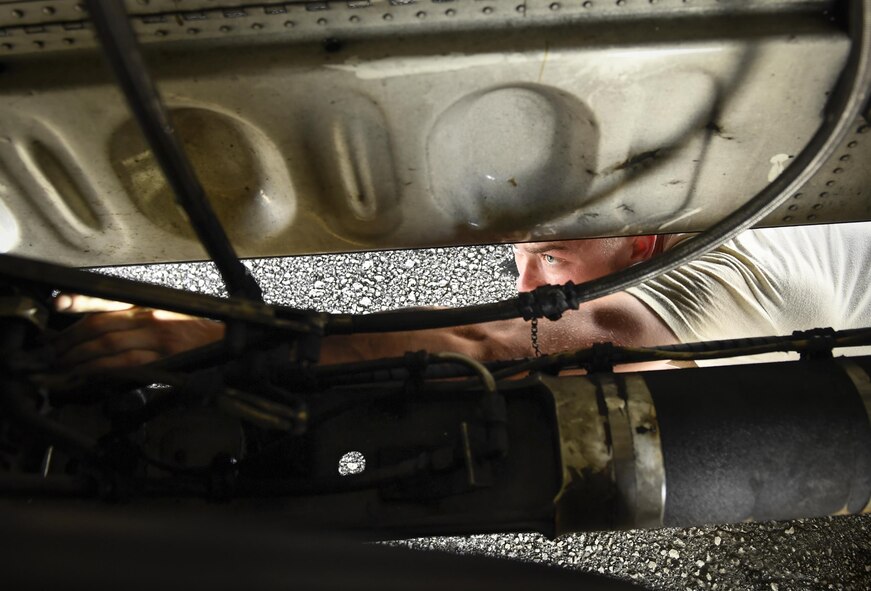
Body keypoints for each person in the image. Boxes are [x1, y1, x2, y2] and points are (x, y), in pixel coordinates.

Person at [51, 222, 871, 373]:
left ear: (644, 239)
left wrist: (215, 336)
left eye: (546, 255)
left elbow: (496, 344)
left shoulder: (735, 273)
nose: (524, 285)